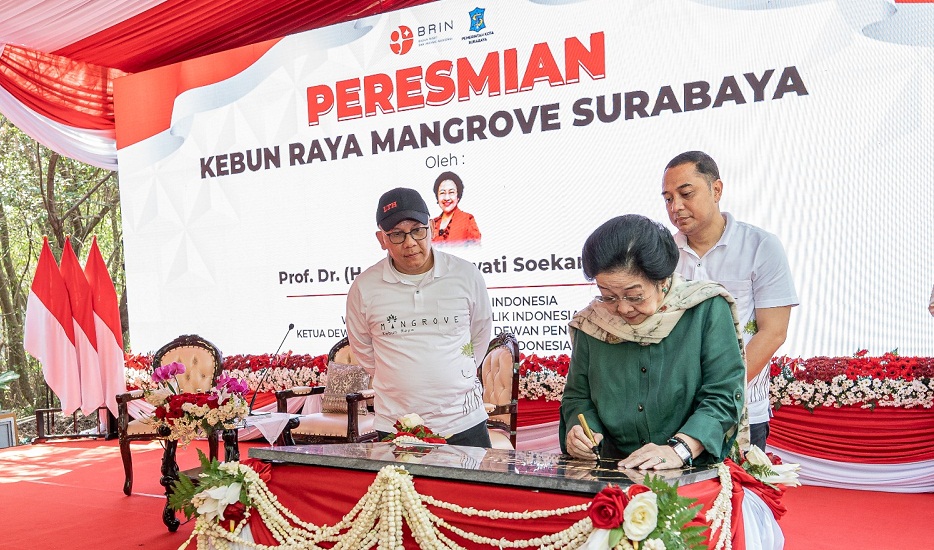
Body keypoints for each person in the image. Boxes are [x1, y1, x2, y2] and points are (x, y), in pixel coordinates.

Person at [560, 215, 746, 469]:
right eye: (609, 297)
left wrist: (679, 450)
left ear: (662, 279)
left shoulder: (705, 309)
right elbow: (578, 398)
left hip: (690, 468)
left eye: (634, 296)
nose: (622, 308)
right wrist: (582, 434)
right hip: (614, 469)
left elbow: (723, 395)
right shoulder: (593, 323)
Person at [662, 151, 798, 451]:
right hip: (672, 413)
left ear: (716, 190)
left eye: (685, 194)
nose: (676, 207)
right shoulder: (663, 254)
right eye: (668, 199)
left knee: (737, 496)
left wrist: (719, 394)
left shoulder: (760, 246)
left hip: (741, 410)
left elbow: (773, 332)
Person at [345, 187, 493, 447]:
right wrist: (401, 378)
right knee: (399, 490)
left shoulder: (466, 275)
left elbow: (480, 334)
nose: (410, 242)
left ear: (432, 228)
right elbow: (364, 349)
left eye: (417, 230)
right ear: (382, 239)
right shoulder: (364, 287)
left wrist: (458, 375)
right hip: (396, 425)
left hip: (464, 420)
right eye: (397, 235)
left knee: (473, 488)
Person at [430, 171, 481, 244]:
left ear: (458, 196)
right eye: (442, 193)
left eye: (451, 192)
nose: (447, 198)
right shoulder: (432, 224)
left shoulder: (468, 220)